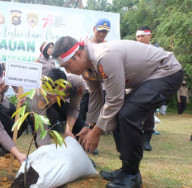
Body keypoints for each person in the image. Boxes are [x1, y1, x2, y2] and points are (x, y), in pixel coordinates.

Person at [52, 36, 183, 188]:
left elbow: (115, 99)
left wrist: (96, 131)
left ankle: (132, 175)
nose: (68, 71)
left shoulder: (105, 57)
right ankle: (127, 169)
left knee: (126, 115)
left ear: (79, 54)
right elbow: (95, 97)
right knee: (117, 115)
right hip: (147, 79)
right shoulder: (87, 67)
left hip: (167, 72)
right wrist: (89, 125)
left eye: (68, 66)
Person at [31, 68, 85, 147]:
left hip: (65, 105)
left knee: (78, 124)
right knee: (38, 128)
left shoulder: (76, 84)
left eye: (56, 96)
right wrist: (44, 152)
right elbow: (41, 128)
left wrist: (68, 130)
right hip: (46, 109)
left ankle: (80, 149)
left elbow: (74, 108)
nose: (53, 99)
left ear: (65, 87)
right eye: (49, 96)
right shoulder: (38, 95)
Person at [80, 18, 111, 138]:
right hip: (89, 81)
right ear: (94, 29)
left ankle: (99, 129)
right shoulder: (85, 45)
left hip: (105, 83)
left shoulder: (108, 47)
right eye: (100, 31)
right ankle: (87, 128)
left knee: (105, 105)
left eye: (105, 32)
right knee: (85, 106)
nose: (102, 34)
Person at [136, 25, 160, 151]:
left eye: (142, 36)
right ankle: (135, 138)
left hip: (151, 86)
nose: (139, 39)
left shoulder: (157, 51)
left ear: (149, 36)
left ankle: (146, 140)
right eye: (137, 36)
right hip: (135, 85)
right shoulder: (133, 49)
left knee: (149, 112)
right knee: (133, 112)